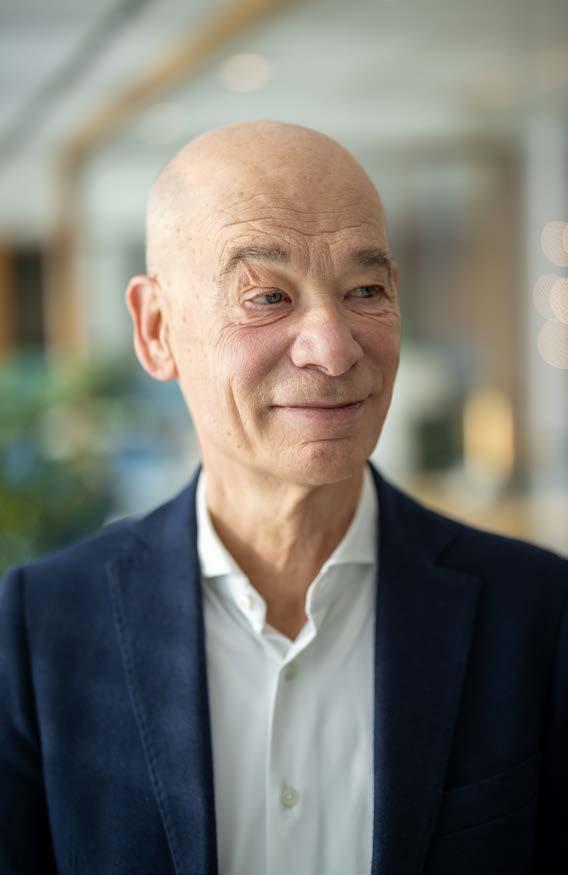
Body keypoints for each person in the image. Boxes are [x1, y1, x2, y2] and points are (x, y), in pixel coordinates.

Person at [0, 120, 566, 875]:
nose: (333, 348)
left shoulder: (539, 614)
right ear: (156, 328)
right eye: (267, 296)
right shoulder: (38, 630)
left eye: (365, 290)